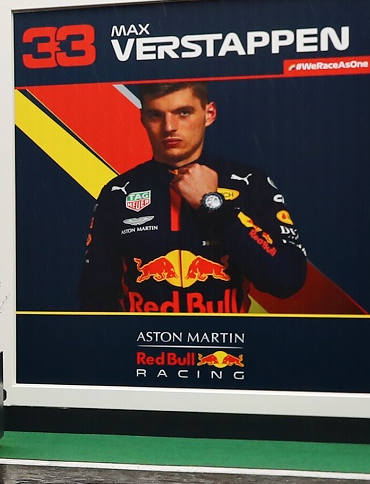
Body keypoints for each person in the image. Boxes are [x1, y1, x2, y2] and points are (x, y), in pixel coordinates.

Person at [78, 83, 306, 313]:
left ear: (209, 114)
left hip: (224, 345)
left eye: (183, 113)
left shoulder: (249, 183)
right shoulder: (119, 192)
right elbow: (95, 294)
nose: (169, 127)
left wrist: (213, 204)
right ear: (143, 119)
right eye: (156, 115)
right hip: (148, 344)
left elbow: (286, 279)